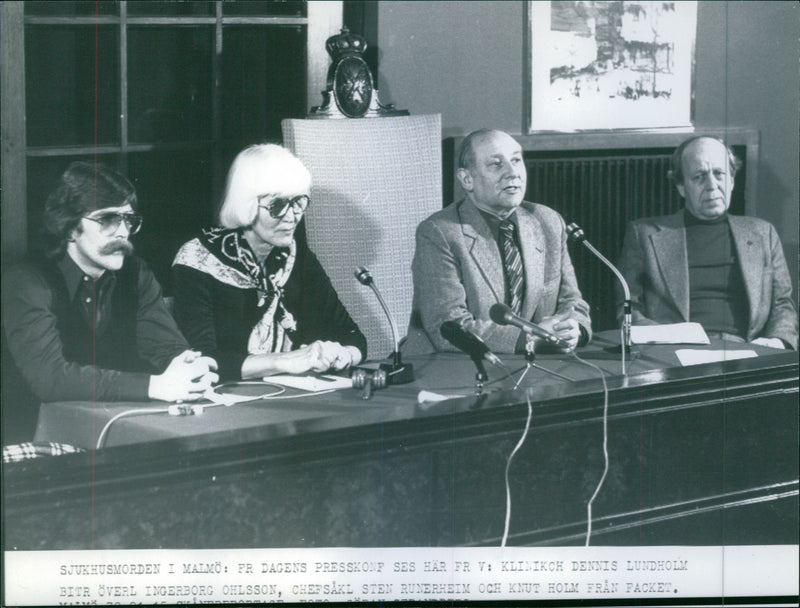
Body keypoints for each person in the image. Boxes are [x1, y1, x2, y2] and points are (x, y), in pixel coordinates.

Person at [1, 162, 219, 444]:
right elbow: (49, 377)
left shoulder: (136, 273)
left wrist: (186, 365)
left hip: (114, 430)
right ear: (69, 228)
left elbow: (166, 346)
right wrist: (155, 385)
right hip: (34, 440)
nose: (122, 232)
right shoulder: (27, 280)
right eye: (107, 220)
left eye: (128, 220)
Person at [172, 144, 367, 381]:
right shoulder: (197, 260)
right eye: (277, 205)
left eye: (299, 202)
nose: (292, 216)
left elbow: (353, 336)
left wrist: (343, 354)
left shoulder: (297, 255)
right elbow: (202, 360)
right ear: (247, 204)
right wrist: (287, 361)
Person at [404, 129, 591, 355]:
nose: (513, 173)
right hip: (457, 368)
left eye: (516, 160)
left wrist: (574, 329)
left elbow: (572, 301)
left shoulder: (547, 221)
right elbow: (448, 326)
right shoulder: (439, 232)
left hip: (538, 367)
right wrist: (530, 339)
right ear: (467, 179)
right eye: (496, 164)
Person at [617, 135, 798, 349]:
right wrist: (666, 343)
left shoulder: (763, 233)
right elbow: (628, 309)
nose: (712, 186)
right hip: (676, 356)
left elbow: (782, 304)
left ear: (731, 180)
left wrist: (777, 341)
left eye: (719, 174)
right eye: (699, 177)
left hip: (749, 351)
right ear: (681, 186)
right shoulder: (643, 235)